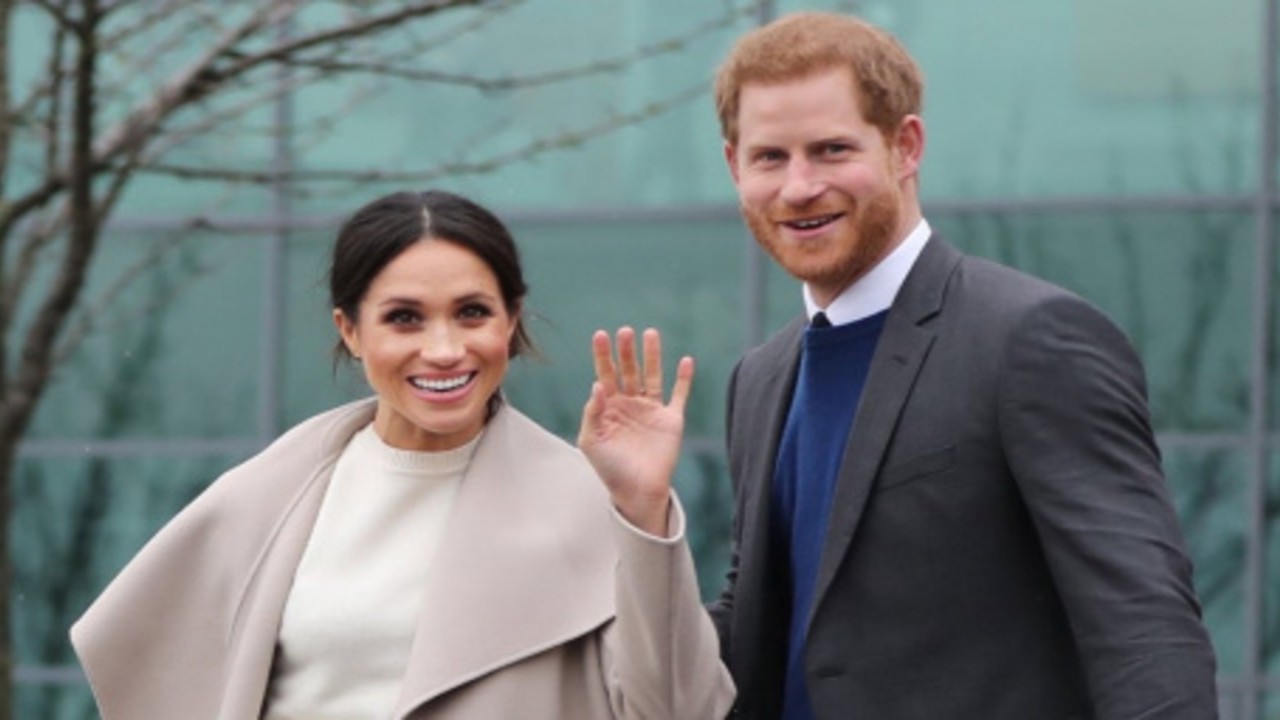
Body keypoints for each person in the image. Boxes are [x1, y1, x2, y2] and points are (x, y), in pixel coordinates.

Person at [706, 12, 1218, 720]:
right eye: (770, 157)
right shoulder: (760, 380)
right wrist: (636, 527)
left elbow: (1139, 620)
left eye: (830, 150)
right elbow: (763, 629)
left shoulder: (1030, 339)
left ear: (905, 146)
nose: (798, 187)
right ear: (735, 166)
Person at [70, 189, 735, 719]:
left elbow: (679, 711)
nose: (444, 349)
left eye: (473, 312)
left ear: (512, 320)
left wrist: (643, 509)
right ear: (350, 330)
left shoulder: (590, 501)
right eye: (404, 318)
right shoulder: (270, 496)